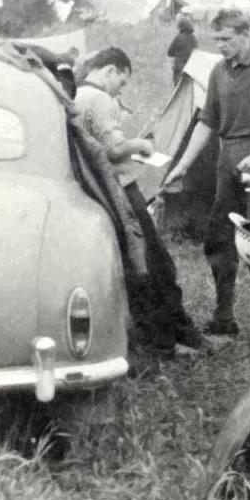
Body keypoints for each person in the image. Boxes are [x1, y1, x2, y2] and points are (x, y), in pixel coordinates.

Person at [162, 8, 250, 344]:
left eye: (226, 38)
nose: (221, 45)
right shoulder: (218, 72)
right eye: (217, 39)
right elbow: (207, 122)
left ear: (245, 34)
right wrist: (181, 164)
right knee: (220, 236)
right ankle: (224, 317)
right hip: (227, 160)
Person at [73, 47, 204, 360]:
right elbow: (116, 149)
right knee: (156, 264)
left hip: (101, 191)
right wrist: (143, 146)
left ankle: (156, 339)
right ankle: (169, 340)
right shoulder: (100, 99)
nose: (122, 88)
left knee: (137, 266)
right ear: (110, 71)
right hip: (121, 190)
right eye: (123, 80)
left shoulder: (77, 97)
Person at [166, 10, 198, 84]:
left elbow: (169, 52)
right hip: (190, 68)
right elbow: (196, 52)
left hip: (179, 68)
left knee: (177, 88)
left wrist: (177, 53)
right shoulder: (194, 38)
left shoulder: (178, 37)